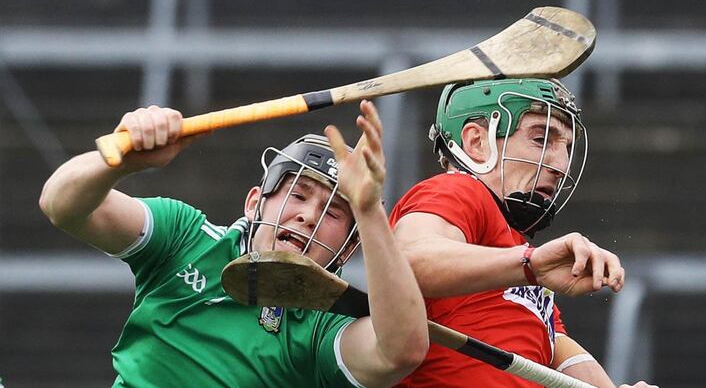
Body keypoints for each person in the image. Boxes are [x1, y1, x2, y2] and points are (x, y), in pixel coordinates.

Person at [39, 100, 429, 388]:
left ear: (346, 251)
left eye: (334, 213)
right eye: (297, 194)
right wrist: (125, 161)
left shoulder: (322, 330)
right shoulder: (184, 237)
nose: (309, 215)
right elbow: (61, 205)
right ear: (254, 203)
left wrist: (368, 210)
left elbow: (401, 352)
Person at [390, 78, 656, 388]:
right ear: (477, 141)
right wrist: (530, 264)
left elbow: (556, 347)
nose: (561, 164)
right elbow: (406, 262)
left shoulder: (512, 250)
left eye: (567, 147)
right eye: (542, 139)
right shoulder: (457, 190)